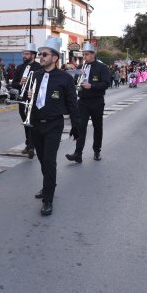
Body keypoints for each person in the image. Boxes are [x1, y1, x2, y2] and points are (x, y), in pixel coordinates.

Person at [28, 37, 80, 216]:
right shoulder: (36, 75)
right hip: (35, 124)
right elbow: (33, 100)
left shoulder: (65, 78)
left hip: (53, 125)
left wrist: (76, 126)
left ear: (55, 58)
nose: (40, 57)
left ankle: (48, 199)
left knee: (49, 161)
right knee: (42, 160)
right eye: (40, 54)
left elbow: (73, 104)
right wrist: (30, 95)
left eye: (44, 54)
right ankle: (48, 185)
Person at [65, 42, 111, 163]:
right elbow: (74, 80)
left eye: (86, 54)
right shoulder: (80, 67)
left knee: (97, 127)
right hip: (83, 101)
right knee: (81, 127)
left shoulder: (102, 67)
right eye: (83, 54)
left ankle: (97, 150)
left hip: (97, 101)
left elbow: (106, 83)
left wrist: (92, 86)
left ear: (93, 54)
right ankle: (78, 153)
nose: (84, 57)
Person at [11, 43, 42, 158]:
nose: (24, 56)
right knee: (26, 123)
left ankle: (31, 146)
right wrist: (20, 83)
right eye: (23, 54)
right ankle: (29, 144)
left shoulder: (39, 67)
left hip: (34, 99)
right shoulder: (20, 67)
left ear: (33, 55)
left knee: (32, 123)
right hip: (22, 99)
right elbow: (13, 83)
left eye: (27, 54)